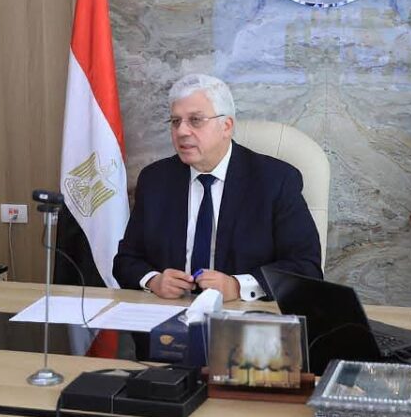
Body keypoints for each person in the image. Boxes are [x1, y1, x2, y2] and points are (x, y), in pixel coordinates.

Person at [112, 74, 322, 301]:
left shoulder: (275, 181)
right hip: (169, 314)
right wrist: (154, 280)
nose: (181, 131)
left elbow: (306, 267)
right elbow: (126, 260)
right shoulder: (155, 179)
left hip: (244, 315)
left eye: (195, 120)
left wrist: (238, 286)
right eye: (175, 121)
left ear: (226, 127)